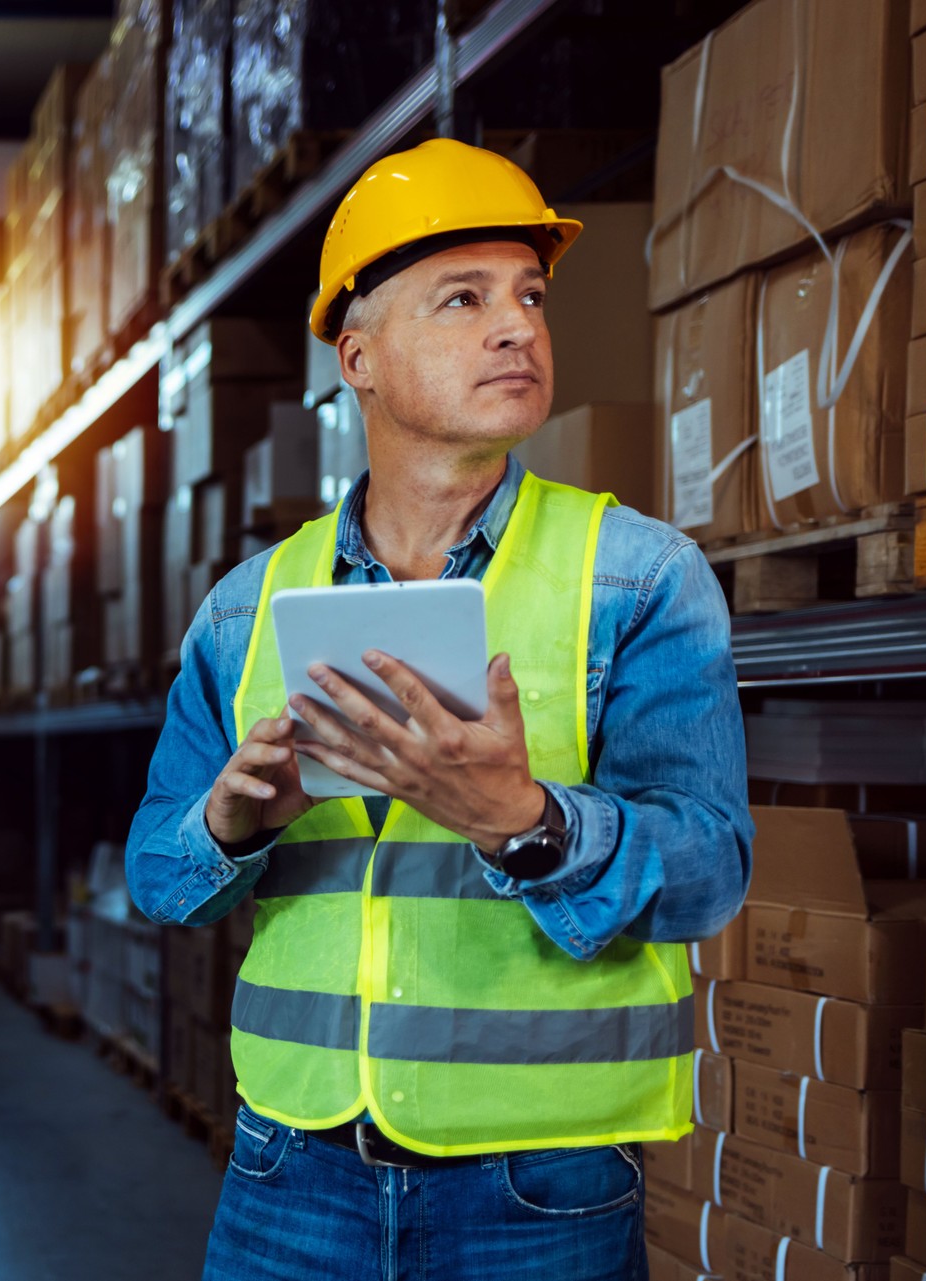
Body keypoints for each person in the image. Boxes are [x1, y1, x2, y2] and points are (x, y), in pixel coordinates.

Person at [125, 138, 753, 1281]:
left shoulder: (643, 576)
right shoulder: (245, 608)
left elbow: (712, 869)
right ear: (357, 358)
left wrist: (530, 822)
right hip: (286, 1171)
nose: (516, 326)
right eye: (462, 299)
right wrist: (230, 825)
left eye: (528, 296)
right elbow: (157, 875)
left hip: (538, 1188)